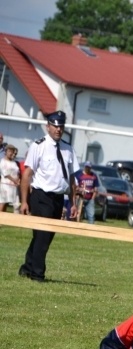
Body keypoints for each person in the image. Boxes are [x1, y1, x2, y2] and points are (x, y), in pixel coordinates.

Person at [18, 110, 79, 282]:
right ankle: (37, 274)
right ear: (48, 126)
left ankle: (27, 267)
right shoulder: (39, 146)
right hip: (41, 196)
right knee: (43, 236)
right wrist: (24, 201)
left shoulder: (68, 149)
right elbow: (27, 174)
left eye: (61, 126)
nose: (58, 129)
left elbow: (71, 177)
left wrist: (73, 203)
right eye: (55, 126)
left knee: (45, 236)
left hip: (58, 199)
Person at [0, 144, 21, 213]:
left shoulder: (14, 163)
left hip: (14, 186)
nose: (11, 153)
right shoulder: (2, 161)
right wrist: (14, 180)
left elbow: (17, 172)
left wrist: (18, 180)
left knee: (16, 205)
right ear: (6, 151)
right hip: (5, 185)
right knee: (3, 203)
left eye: (13, 151)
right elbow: (5, 173)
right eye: (10, 151)